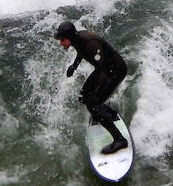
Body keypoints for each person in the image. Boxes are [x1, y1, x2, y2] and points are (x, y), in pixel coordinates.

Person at [55, 21, 129, 154]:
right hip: (104, 69)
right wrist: (74, 66)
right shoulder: (78, 39)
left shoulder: (90, 44)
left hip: (115, 71)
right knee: (84, 96)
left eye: (62, 40)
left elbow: (103, 70)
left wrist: (96, 93)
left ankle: (120, 140)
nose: (61, 43)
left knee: (93, 104)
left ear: (70, 38)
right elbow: (81, 51)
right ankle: (109, 113)